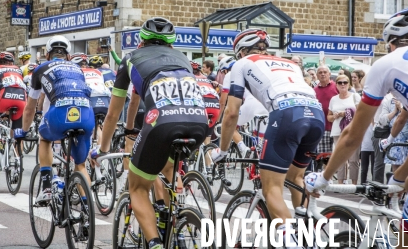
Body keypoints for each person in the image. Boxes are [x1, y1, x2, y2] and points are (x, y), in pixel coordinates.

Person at [305, 7, 408, 248]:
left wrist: (324, 178)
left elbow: (352, 135)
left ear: (391, 43)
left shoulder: (388, 63)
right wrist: (396, 181)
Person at [91, 17, 208, 249]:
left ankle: (154, 243)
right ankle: (167, 220)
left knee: (137, 187)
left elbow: (113, 115)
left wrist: (102, 150)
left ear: (141, 41)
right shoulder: (183, 59)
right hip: (199, 122)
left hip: (162, 122)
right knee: (166, 166)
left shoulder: (130, 59)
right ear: (172, 44)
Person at [212, 29, 324, 247]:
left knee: (270, 187)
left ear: (241, 51)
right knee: (295, 178)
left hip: (286, 114)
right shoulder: (289, 63)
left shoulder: (241, 63)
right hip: (316, 115)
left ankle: (291, 240)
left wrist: (223, 151)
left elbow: (231, 113)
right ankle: (306, 235)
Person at [22, 36, 94, 205]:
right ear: (68, 56)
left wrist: (23, 132)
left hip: (60, 113)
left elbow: (30, 107)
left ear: (47, 55)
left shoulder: (40, 69)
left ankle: (46, 186)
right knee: (81, 165)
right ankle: (86, 209)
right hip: (86, 114)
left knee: (45, 137)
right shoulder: (78, 68)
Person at [0, 52, 27, 155]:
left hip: (5, 98)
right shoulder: (19, 69)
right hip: (22, 99)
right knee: (17, 131)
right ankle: (17, 163)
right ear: (12, 63)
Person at [327, 74, 360, 183]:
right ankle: (340, 183)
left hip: (353, 131)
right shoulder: (333, 99)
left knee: (353, 158)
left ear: (349, 84)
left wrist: (345, 113)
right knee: (339, 157)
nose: (342, 84)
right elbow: (329, 117)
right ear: (336, 85)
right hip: (337, 131)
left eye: (345, 82)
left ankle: (354, 184)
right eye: (340, 82)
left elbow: (360, 114)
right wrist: (335, 116)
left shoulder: (355, 96)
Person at [313, 65, 338, 154]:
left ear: (329, 74)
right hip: (323, 126)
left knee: (340, 155)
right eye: (320, 72)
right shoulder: (314, 91)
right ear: (317, 75)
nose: (323, 74)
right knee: (324, 156)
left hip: (338, 125)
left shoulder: (337, 87)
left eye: (325, 72)